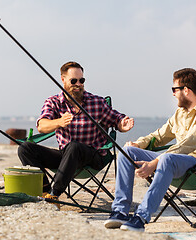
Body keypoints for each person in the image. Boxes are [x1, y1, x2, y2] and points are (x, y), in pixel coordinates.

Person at [104, 68, 196, 232]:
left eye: (174, 89)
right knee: (127, 151)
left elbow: (188, 145)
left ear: (186, 90)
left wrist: (154, 163)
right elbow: (159, 135)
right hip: (179, 161)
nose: (173, 93)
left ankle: (141, 217)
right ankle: (120, 211)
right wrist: (139, 144)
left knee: (167, 158)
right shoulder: (180, 113)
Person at [18, 61, 134, 209]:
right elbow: (42, 125)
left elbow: (117, 119)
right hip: (66, 157)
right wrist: (59, 122)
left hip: (93, 156)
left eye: (81, 80)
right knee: (25, 148)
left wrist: (123, 125)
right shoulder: (53, 102)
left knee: (74, 147)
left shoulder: (96, 102)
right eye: (74, 81)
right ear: (63, 80)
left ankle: (55, 195)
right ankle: (45, 191)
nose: (78, 84)